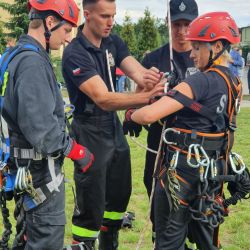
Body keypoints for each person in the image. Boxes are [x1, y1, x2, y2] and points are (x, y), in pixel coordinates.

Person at [131, 11, 247, 250]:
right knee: (205, 239)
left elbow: (147, 115)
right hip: (211, 175)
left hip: (181, 177)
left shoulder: (199, 81)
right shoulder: (235, 82)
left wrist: (136, 110)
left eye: (197, 48)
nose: (191, 54)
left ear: (216, 46)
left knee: (169, 242)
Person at [62, 0, 163, 249]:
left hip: (112, 126)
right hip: (89, 128)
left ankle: (111, 242)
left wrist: (152, 78)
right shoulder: (75, 52)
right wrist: (144, 97)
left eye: (114, 15)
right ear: (87, 14)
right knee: (92, 200)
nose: (111, 22)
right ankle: (83, 243)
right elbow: (103, 98)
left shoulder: (113, 42)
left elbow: (138, 73)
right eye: (105, 16)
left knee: (120, 193)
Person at [0, 0, 94, 249]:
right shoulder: (32, 63)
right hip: (40, 176)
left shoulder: (12, 56)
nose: (66, 39)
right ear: (50, 22)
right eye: (66, 30)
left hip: (24, 171)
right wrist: (77, 152)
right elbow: (43, 132)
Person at [124, 0, 199, 242]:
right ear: (167, 23)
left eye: (187, 24)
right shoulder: (154, 59)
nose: (181, 31)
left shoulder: (204, 58)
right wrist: (141, 105)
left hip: (195, 149)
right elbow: (137, 97)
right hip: (160, 148)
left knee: (196, 218)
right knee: (161, 211)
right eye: (176, 24)